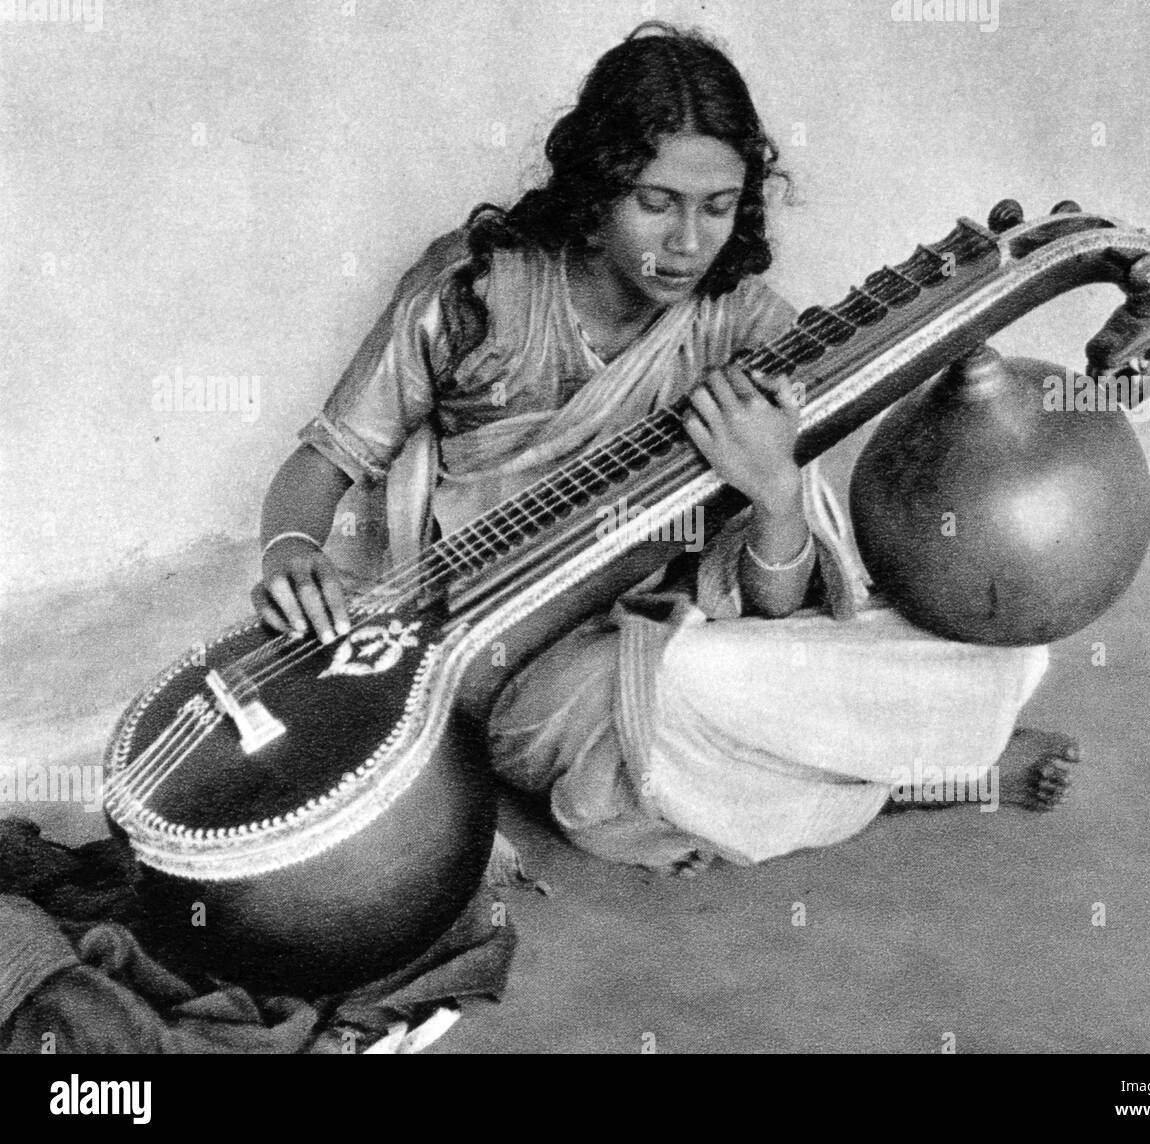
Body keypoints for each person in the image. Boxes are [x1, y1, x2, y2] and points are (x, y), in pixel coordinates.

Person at [252, 23, 1076, 874]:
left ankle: (874, 753)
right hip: (522, 664)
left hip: (680, 626)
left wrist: (775, 495)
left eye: (718, 208)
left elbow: (776, 610)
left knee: (985, 648)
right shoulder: (479, 292)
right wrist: (289, 549)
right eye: (657, 201)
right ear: (597, 188)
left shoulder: (744, 326)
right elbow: (325, 462)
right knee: (678, 699)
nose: (688, 243)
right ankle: (913, 771)